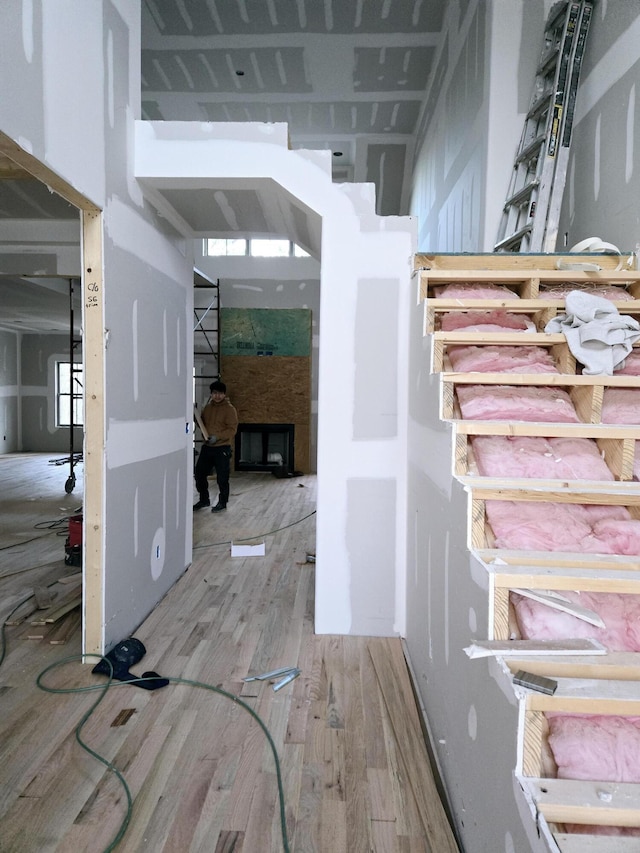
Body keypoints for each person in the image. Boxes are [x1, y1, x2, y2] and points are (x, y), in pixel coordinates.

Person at [193, 380, 238, 513]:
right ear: (211, 394)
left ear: (224, 394)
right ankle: (204, 499)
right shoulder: (208, 408)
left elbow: (232, 430)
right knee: (199, 474)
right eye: (214, 393)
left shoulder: (230, 410)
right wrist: (195, 417)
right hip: (208, 447)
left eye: (220, 393)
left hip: (222, 448)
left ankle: (222, 502)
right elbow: (202, 423)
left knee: (222, 478)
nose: (217, 396)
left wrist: (217, 437)